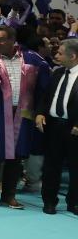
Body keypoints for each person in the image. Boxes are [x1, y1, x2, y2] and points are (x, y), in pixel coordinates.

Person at [0, 21, 47, 210]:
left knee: (15, 157)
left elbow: (43, 89)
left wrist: (40, 111)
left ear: (12, 40)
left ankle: (9, 196)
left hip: (22, 113)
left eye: (1, 40)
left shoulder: (33, 59)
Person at [35, 37, 78, 215]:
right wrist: (40, 113)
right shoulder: (57, 73)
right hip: (53, 126)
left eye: (60, 53)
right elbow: (46, 97)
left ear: (73, 56)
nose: (56, 56)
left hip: (74, 128)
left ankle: (74, 202)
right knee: (51, 166)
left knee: (76, 167)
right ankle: (49, 201)